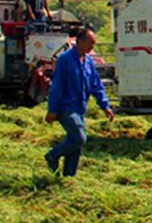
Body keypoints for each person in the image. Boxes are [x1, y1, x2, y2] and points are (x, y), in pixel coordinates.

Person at [44, 28, 113, 177]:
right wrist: (52, 109)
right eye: (89, 43)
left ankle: (68, 177)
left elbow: (96, 85)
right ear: (79, 41)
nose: (92, 48)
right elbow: (57, 86)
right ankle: (52, 155)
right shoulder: (65, 60)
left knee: (75, 146)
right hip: (65, 107)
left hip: (80, 108)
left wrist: (105, 106)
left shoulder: (88, 62)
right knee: (79, 137)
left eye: (94, 44)